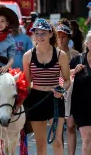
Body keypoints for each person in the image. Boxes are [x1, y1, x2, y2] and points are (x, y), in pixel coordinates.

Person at [23, 18, 70, 155]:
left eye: (43, 33)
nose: (40, 36)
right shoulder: (28, 56)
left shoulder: (60, 55)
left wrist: (61, 90)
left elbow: (67, 80)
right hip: (36, 99)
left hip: (54, 99)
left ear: (50, 34)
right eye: (37, 33)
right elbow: (26, 84)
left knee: (57, 141)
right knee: (40, 144)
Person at [56, 21, 79, 155]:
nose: (61, 39)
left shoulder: (76, 54)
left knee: (70, 126)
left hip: (72, 93)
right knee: (58, 129)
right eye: (58, 36)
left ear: (69, 37)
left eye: (64, 36)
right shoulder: (52, 54)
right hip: (57, 92)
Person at [70, 31, 91, 155]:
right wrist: (73, 70)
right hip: (81, 106)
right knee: (87, 137)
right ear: (87, 43)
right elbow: (64, 76)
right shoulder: (78, 59)